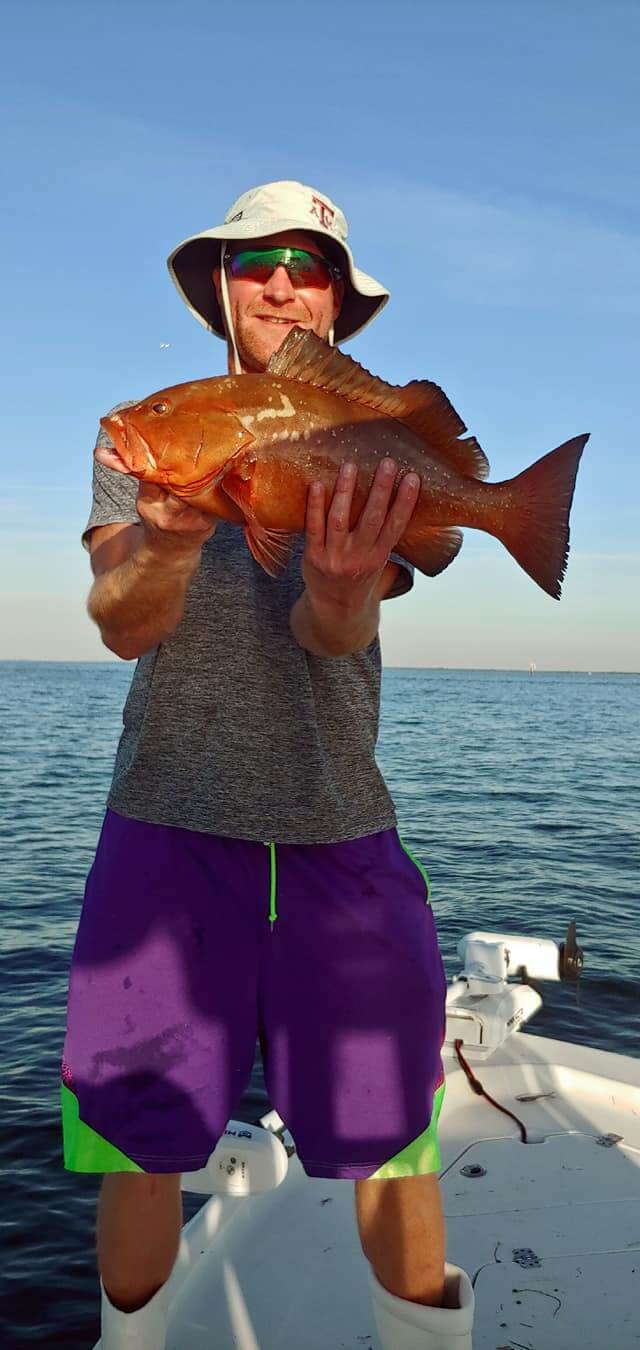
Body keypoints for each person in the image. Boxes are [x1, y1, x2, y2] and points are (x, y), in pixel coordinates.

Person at [61, 180, 474, 1350]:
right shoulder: (160, 428)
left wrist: (343, 588)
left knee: (389, 1138)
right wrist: (167, 538)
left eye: (307, 263)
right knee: (135, 1141)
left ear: (339, 298)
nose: (280, 279)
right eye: (252, 263)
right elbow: (121, 619)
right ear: (219, 291)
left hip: (339, 833)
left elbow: (332, 636)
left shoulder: (369, 441)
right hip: (164, 825)